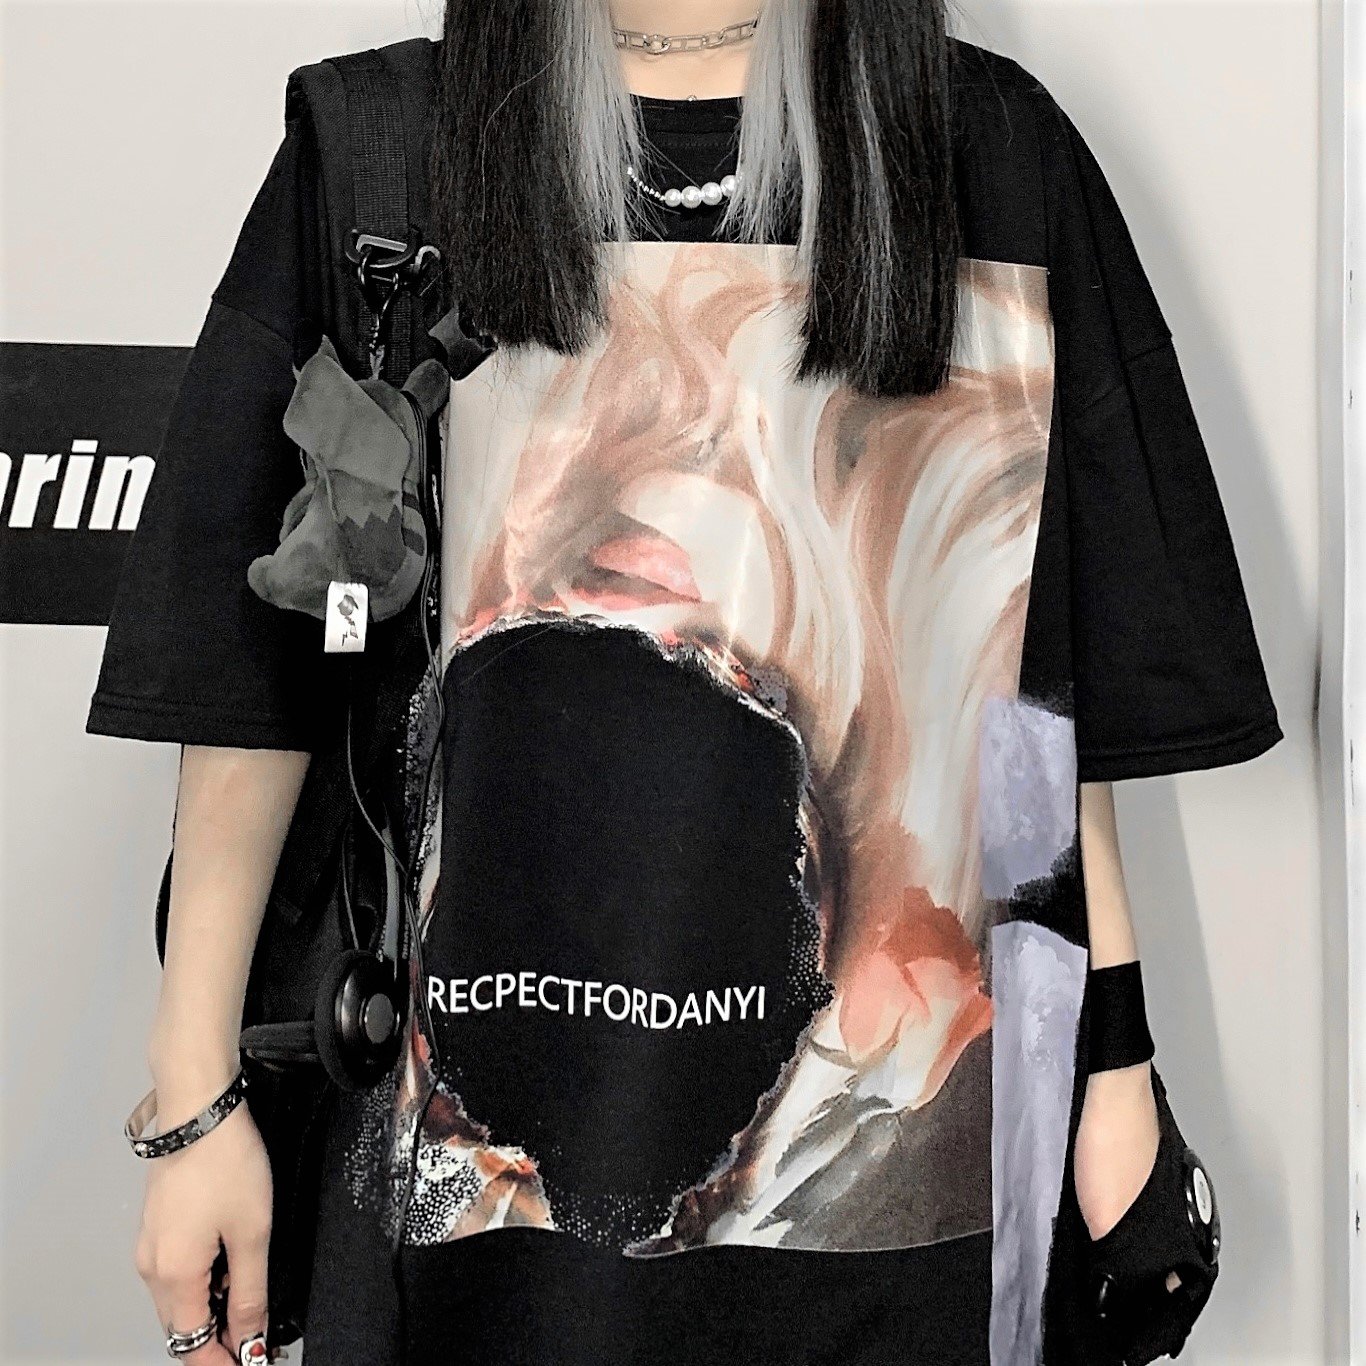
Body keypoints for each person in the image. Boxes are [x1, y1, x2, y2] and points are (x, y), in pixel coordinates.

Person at [86, 1, 1283, 1362]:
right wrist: (193, 1098)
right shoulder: (386, 149)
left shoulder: (986, 151)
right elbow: (249, 674)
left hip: (911, 1252)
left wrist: (1114, 1061)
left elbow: (1029, 685)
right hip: (471, 1247)